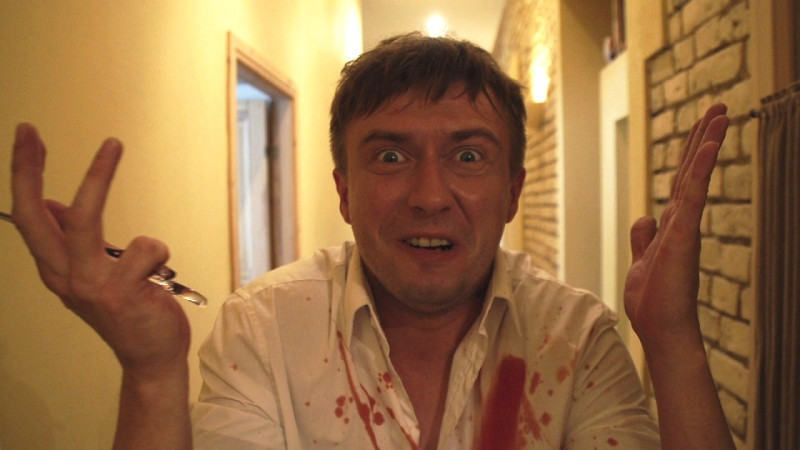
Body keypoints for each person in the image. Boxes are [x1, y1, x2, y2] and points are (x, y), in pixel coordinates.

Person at [10, 33, 734, 449]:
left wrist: (673, 340)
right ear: (344, 190)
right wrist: (149, 373)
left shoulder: (574, 337)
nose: (429, 194)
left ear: (513, 190)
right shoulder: (264, 328)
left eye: (468, 155)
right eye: (390, 155)